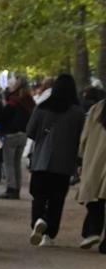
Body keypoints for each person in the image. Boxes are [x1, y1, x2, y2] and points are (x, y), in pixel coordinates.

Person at [26, 74, 86, 246]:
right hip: (64, 162)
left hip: (41, 160)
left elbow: (30, 131)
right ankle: (49, 233)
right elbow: (81, 138)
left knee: (38, 195)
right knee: (57, 199)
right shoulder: (77, 113)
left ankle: (38, 219)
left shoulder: (41, 108)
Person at [77, 93, 106, 252]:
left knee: (96, 196)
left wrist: (81, 157)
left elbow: (85, 136)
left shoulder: (97, 108)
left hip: (96, 158)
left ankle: (92, 230)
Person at [0, 76, 36, 198]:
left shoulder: (13, 101)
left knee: (9, 163)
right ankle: (17, 188)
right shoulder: (30, 101)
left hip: (11, 134)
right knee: (17, 163)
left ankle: (11, 188)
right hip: (24, 134)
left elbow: (4, 116)